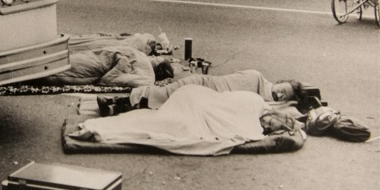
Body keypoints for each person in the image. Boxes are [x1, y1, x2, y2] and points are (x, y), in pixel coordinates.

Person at [75, 84, 306, 156]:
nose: (265, 128)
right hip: (196, 101)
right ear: (271, 115)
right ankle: (106, 126)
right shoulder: (255, 104)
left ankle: (108, 124)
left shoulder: (257, 111)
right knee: (177, 127)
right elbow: (232, 117)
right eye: (270, 124)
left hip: (194, 98)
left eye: (268, 130)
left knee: (164, 123)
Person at [97, 69, 305, 116]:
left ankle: (117, 106)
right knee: (163, 94)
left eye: (284, 97)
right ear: (280, 82)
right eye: (282, 90)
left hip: (206, 93)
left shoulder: (263, 99)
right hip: (204, 85)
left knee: (163, 105)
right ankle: (116, 101)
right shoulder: (257, 79)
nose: (280, 95)